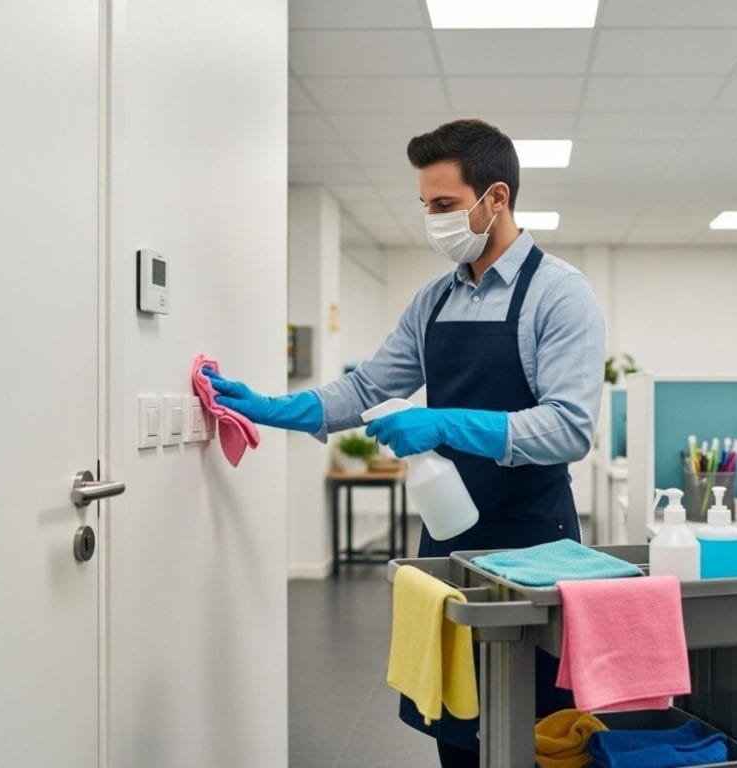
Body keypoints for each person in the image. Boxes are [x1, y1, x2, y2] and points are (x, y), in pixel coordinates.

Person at [206, 118, 606, 767]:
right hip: (450, 544)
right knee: (458, 732)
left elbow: (569, 427)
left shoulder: (560, 296)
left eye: (445, 205)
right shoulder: (433, 302)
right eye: (425, 205)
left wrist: (447, 422)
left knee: (536, 734)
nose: (433, 220)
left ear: (495, 198)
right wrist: (277, 407)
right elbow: (366, 385)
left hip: (534, 544)